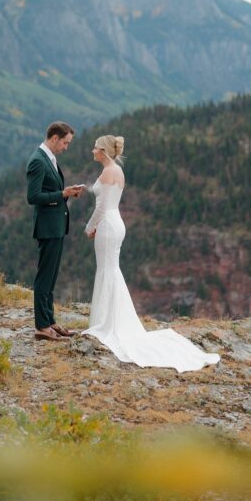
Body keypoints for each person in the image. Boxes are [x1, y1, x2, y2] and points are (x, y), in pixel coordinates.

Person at [84, 134, 221, 372]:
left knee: (107, 270)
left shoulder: (107, 173)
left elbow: (102, 206)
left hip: (107, 224)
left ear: (104, 151)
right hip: (117, 223)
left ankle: (105, 323)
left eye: (95, 148)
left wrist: (89, 227)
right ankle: (109, 319)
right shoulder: (118, 171)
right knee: (111, 270)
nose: (92, 150)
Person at [26, 121, 84, 341]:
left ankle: (50, 321)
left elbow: (51, 191)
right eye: (65, 143)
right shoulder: (38, 161)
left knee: (51, 277)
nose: (66, 147)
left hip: (57, 226)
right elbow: (33, 197)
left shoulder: (49, 159)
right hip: (47, 227)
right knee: (44, 278)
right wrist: (62, 194)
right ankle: (41, 327)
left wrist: (66, 193)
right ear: (54, 138)